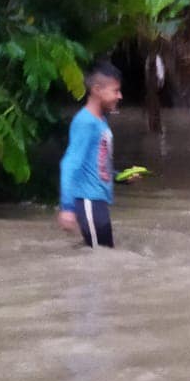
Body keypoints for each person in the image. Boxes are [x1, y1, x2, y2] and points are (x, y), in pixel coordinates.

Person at [58, 62, 139, 248]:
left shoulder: (100, 121)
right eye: (115, 90)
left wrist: (122, 177)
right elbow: (69, 164)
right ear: (97, 90)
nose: (120, 96)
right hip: (88, 202)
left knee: (103, 256)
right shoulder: (85, 122)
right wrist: (67, 208)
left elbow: (98, 165)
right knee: (100, 259)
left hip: (97, 203)